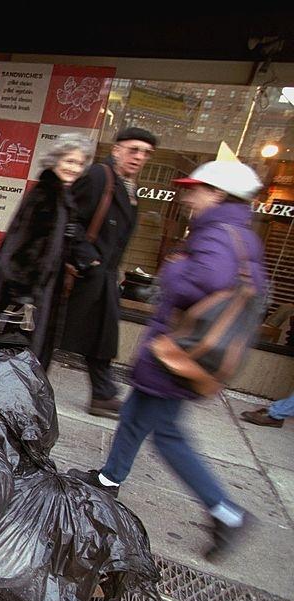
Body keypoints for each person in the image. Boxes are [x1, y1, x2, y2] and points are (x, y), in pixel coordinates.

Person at [68, 160, 268, 561]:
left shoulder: (217, 234)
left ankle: (226, 512)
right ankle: (109, 479)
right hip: (185, 350)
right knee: (136, 413)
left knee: (168, 435)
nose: (188, 196)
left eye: (196, 190)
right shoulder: (240, 234)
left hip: (180, 352)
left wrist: (173, 272)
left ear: (217, 194)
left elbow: (204, 281)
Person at [0, 133, 94, 369]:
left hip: (33, 288)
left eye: (79, 163)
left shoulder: (61, 194)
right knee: (9, 356)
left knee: (7, 357)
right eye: (69, 161)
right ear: (55, 160)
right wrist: (23, 296)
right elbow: (24, 247)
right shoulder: (47, 194)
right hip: (23, 290)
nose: (74, 168)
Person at [59, 127, 158, 418]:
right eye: (133, 149)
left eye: (145, 153)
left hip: (102, 276)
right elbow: (68, 216)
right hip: (81, 274)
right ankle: (16, 377)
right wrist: (89, 260)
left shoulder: (127, 185)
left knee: (102, 335)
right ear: (117, 150)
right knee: (50, 331)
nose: (139, 157)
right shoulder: (99, 176)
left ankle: (103, 394)